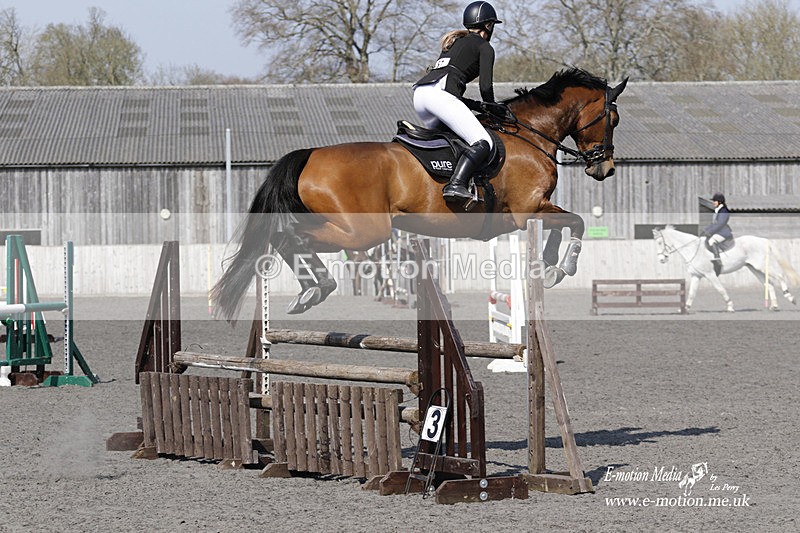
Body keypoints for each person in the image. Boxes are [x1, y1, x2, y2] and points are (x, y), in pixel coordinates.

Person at [413, 1, 504, 202]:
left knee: (454, 141)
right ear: (489, 26)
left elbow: (453, 93)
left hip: (421, 95)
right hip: (439, 97)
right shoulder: (484, 46)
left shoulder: (455, 42)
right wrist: (492, 107)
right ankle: (455, 185)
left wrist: (476, 106)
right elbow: (486, 88)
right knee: (483, 142)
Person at [701, 192, 733, 276]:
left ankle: (718, 261)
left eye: (715, 201)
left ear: (720, 202)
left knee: (712, 241)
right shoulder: (717, 211)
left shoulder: (724, 211)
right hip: (718, 231)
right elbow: (714, 224)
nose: (713, 202)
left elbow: (720, 224)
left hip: (723, 232)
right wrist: (705, 230)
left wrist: (710, 232)